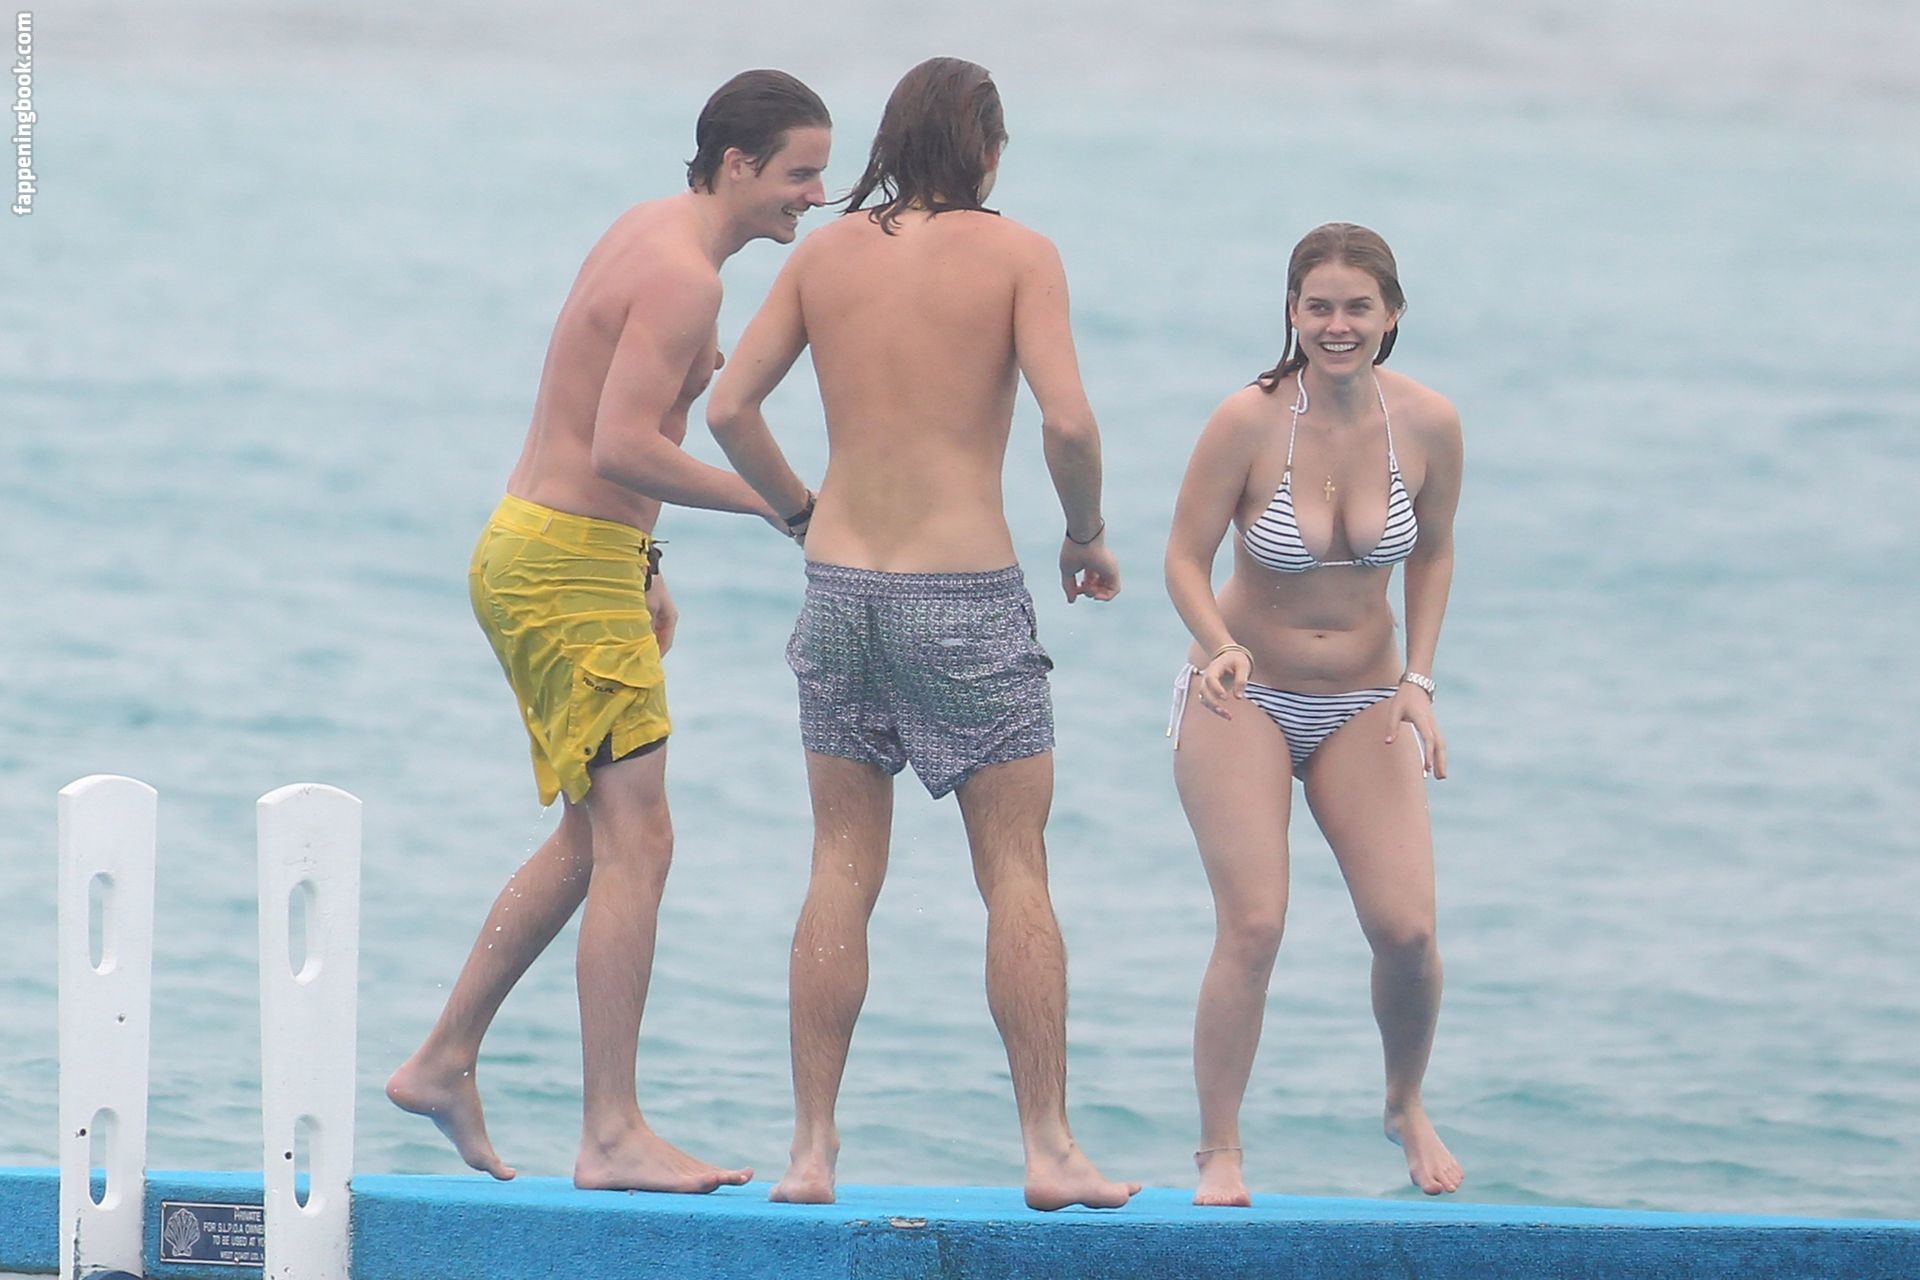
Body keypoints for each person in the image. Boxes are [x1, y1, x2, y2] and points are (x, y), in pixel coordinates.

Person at [384, 70, 831, 1194]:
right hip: (562, 570)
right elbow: (623, 443)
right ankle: (612, 1132)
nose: (816, 196)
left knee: (598, 838)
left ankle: (442, 1060)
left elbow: (602, 433)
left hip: (566, 556)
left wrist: (646, 561)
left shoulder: (652, 228)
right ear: (737, 164)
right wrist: (784, 507)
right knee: (642, 840)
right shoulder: (684, 276)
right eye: (801, 173)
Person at [706, 57, 1138, 1212]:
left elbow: (729, 408)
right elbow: (1068, 422)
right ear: (985, 149)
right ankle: (1047, 1146)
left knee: (840, 864)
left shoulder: (824, 255)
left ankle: (810, 1150)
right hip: (963, 590)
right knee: (1014, 866)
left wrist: (800, 512)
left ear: (891, 141)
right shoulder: (1019, 255)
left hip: (843, 584)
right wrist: (1085, 533)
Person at [1163, 222, 1466, 1204]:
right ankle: (1219, 1148)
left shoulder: (1429, 422)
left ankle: (1404, 1101)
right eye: (1319, 306)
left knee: (1408, 931)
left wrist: (1419, 679)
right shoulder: (1247, 420)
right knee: (1254, 922)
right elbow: (1183, 557)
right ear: (1292, 312)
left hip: (1365, 698)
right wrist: (1218, 642)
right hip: (1242, 692)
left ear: (1392, 314)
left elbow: (1433, 552)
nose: (1338, 325)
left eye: (1358, 307)